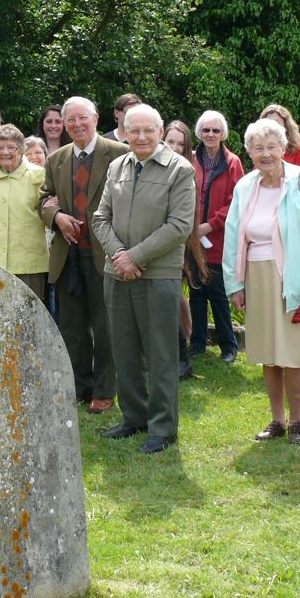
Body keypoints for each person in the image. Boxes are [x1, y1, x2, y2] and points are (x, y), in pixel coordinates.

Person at [223, 118, 300, 445]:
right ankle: (277, 420)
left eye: (271, 147)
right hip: (255, 277)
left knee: (292, 352)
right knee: (267, 352)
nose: (265, 154)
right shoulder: (245, 186)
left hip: (294, 279)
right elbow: (233, 237)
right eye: (258, 148)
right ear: (249, 153)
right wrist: (235, 285)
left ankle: (298, 420)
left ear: (283, 148)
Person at [92, 104, 195, 453]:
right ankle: (133, 418)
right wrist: (120, 256)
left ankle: (162, 428)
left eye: (148, 130)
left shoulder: (179, 170)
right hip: (116, 274)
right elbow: (100, 218)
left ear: (161, 131)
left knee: (160, 354)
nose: (140, 137)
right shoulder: (117, 166)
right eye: (133, 130)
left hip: (157, 276)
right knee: (124, 351)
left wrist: (134, 257)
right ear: (124, 129)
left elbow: (179, 226)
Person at [38, 96, 127, 412]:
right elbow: (44, 198)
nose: (76, 124)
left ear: (96, 118)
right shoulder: (57, 159)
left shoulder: (119, 154)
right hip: (69, 254)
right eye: (70, 120)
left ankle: (105, 390)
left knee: (106, 328)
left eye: (82, 118)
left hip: (106, 254)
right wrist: (57, 217)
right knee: (72, 327)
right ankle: (79, 385)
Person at [189, 110, 244, 365]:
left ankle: (228, 346)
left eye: (216, 131)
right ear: (199, 133)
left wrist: (210, 225)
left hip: (218, 239)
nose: (211, 135)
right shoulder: (190, 160)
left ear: (223, 134)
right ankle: (197, 344)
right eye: (206, 130)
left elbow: (236, 200)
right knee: (196, 292)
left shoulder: (232, 162)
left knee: (219, 294)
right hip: (192, 238)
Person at [0, 125, 49, 302]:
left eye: (11, 147)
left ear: (21, 149)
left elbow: (48, 216)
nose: (5, 152)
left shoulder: (38, 176)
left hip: (29, 261)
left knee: (29, 315)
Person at [164, 119, 205, 380]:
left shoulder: (186, 172)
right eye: (170, 142)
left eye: (181, 143)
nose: (175, 148)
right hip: (156, 246)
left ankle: (182, 359)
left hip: (177, 244)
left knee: (171, 299)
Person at [258, 103, 300, 170]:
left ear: (286, 127)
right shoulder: (260, 153)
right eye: (268, 124)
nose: (272, 127)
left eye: (276, 123)